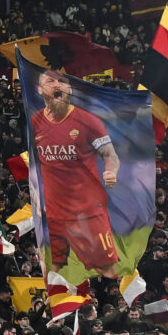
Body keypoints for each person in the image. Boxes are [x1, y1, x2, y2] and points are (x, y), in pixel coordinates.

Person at [29, 68, 122, 279]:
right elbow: (34, 163)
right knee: (52, 271)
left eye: (62, 81)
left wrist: (111, 171)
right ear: (40, 89)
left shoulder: (87, 121)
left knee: (107, 271)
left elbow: (110, 154)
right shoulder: (34, 124)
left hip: (86, 212)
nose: (57, 85)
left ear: (69, 89)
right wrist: (35, 196)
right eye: (50, 81)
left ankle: (121, 304)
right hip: (52, 213)